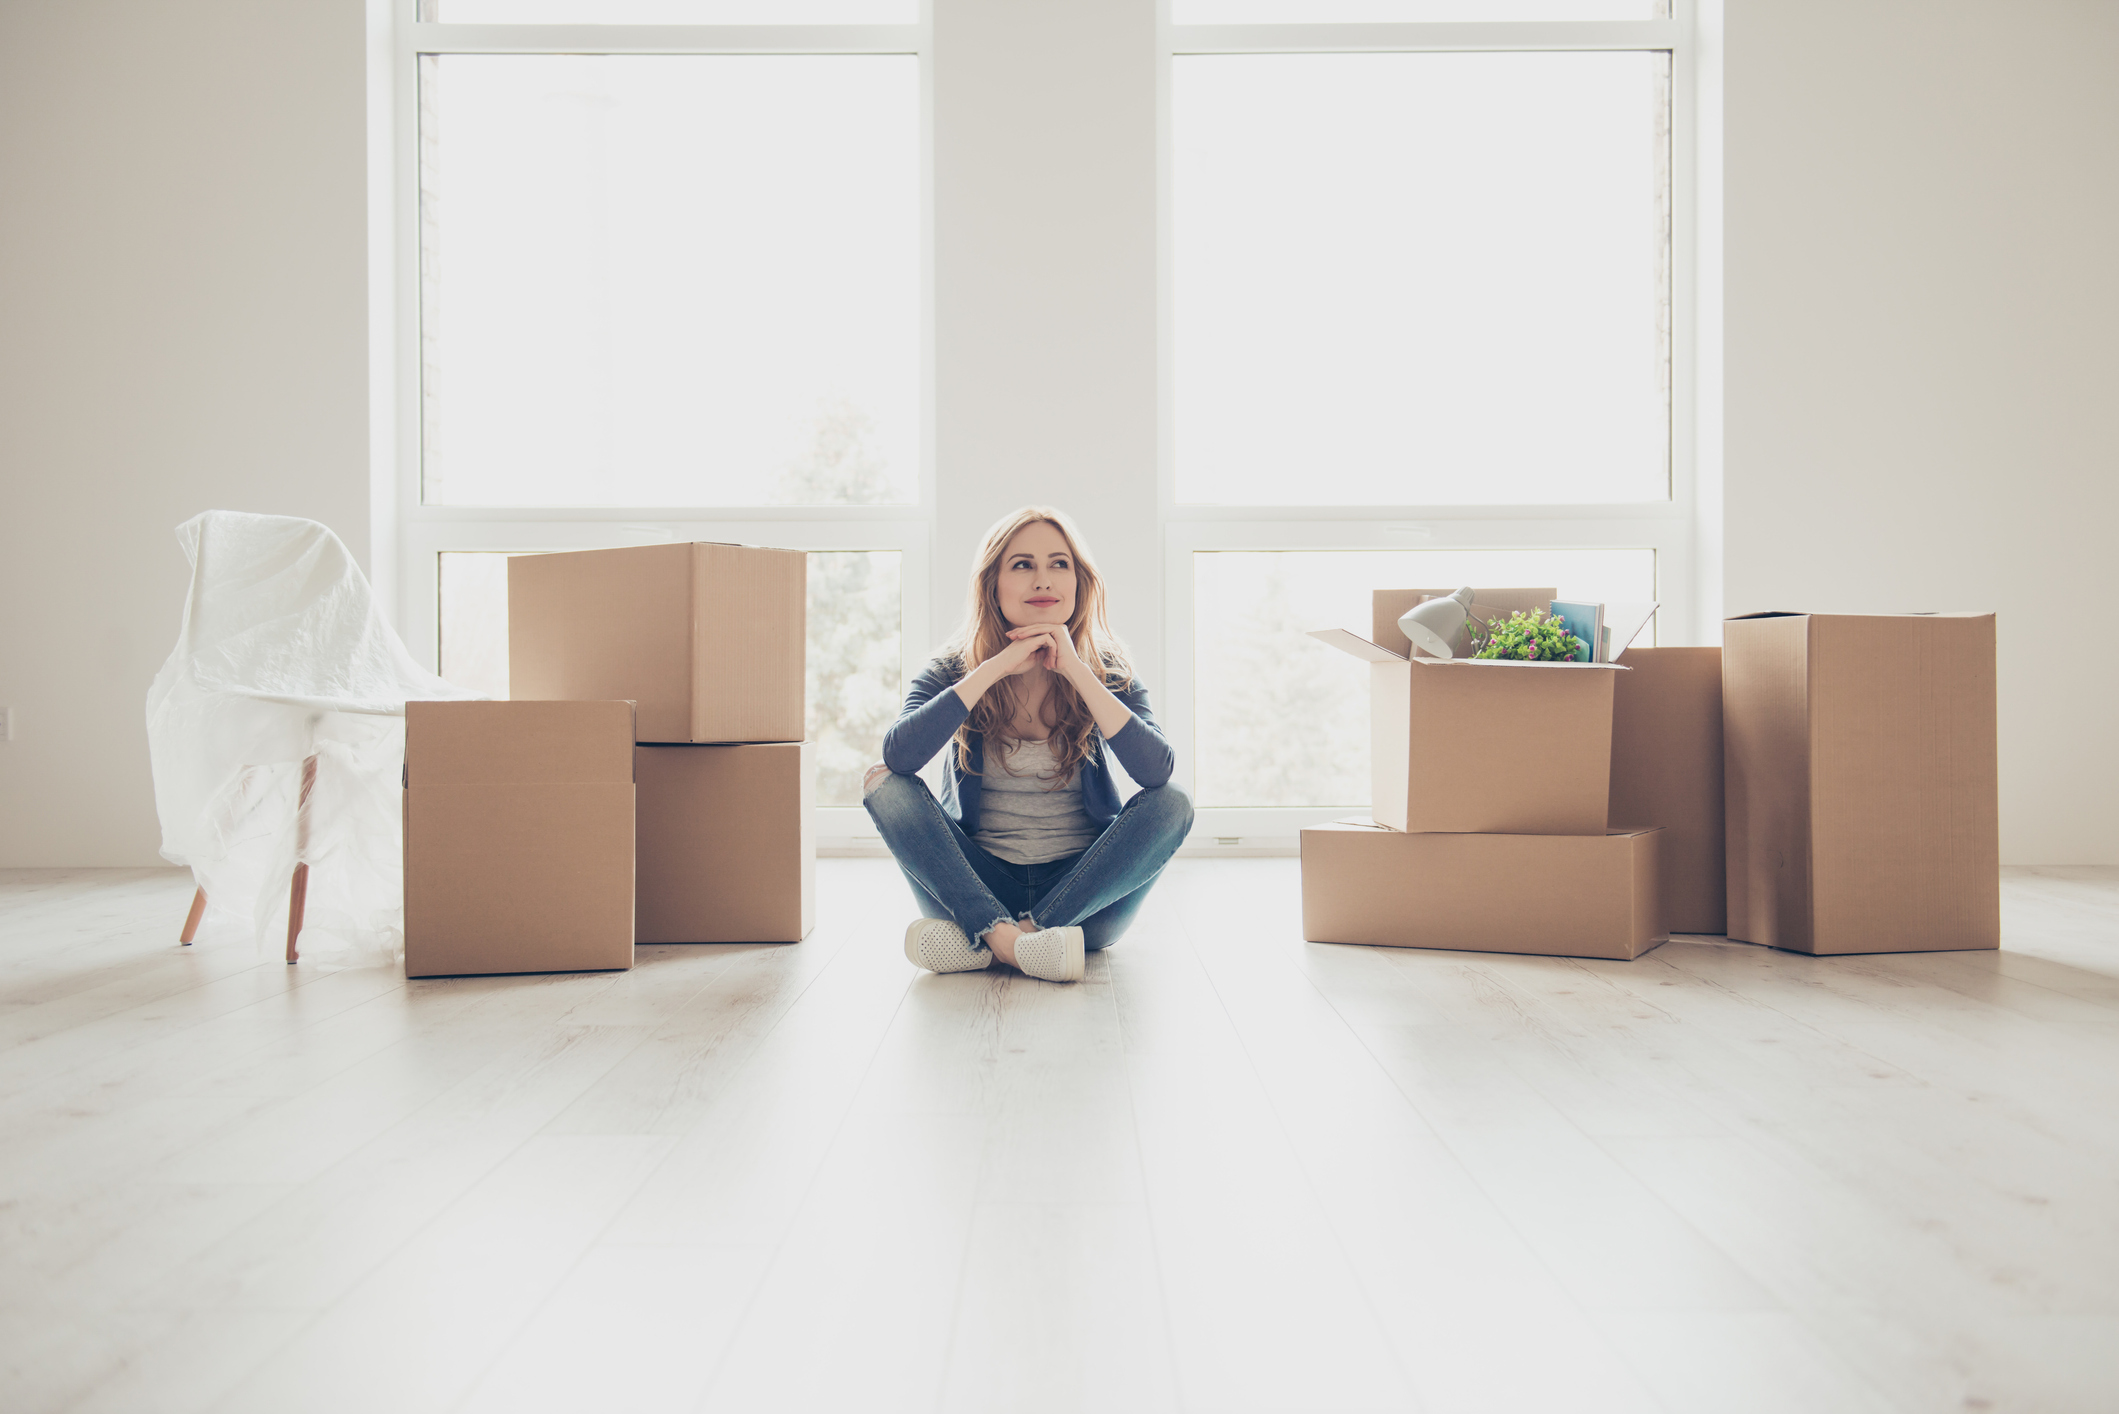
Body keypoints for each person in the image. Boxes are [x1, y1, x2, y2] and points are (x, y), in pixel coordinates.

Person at [862, 506, 1193, 983]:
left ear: (1079, 583)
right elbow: (900, 756)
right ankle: (1009, 939)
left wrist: (1077, 671)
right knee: (882, 783)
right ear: (992, 585)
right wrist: (996, 665)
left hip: (1083, 896)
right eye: (1022, 565)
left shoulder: (1110, 671)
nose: (1044, 580)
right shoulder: (952, 670)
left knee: (1175, 802)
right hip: (976, 885)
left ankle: (996, 942)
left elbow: (1156, 773)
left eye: (1059, 564)